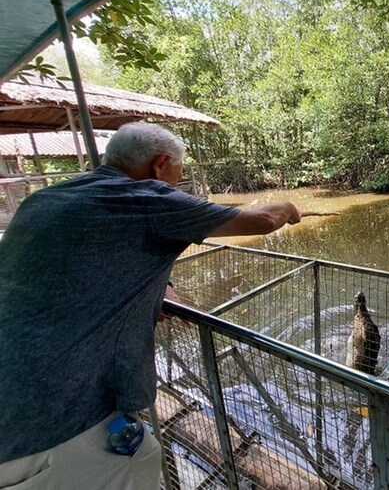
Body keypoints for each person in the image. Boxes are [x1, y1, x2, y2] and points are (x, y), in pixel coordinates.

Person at [0, 122, 301, 489]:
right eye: (178, 170)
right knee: (140, 466)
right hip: (49, 418)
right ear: (160, 164)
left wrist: (162, 286)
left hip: (14, 392)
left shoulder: (45, 199)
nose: (178, 179)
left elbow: (88, 263)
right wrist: (289, 206)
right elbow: (263, 219)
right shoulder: (147, 198)